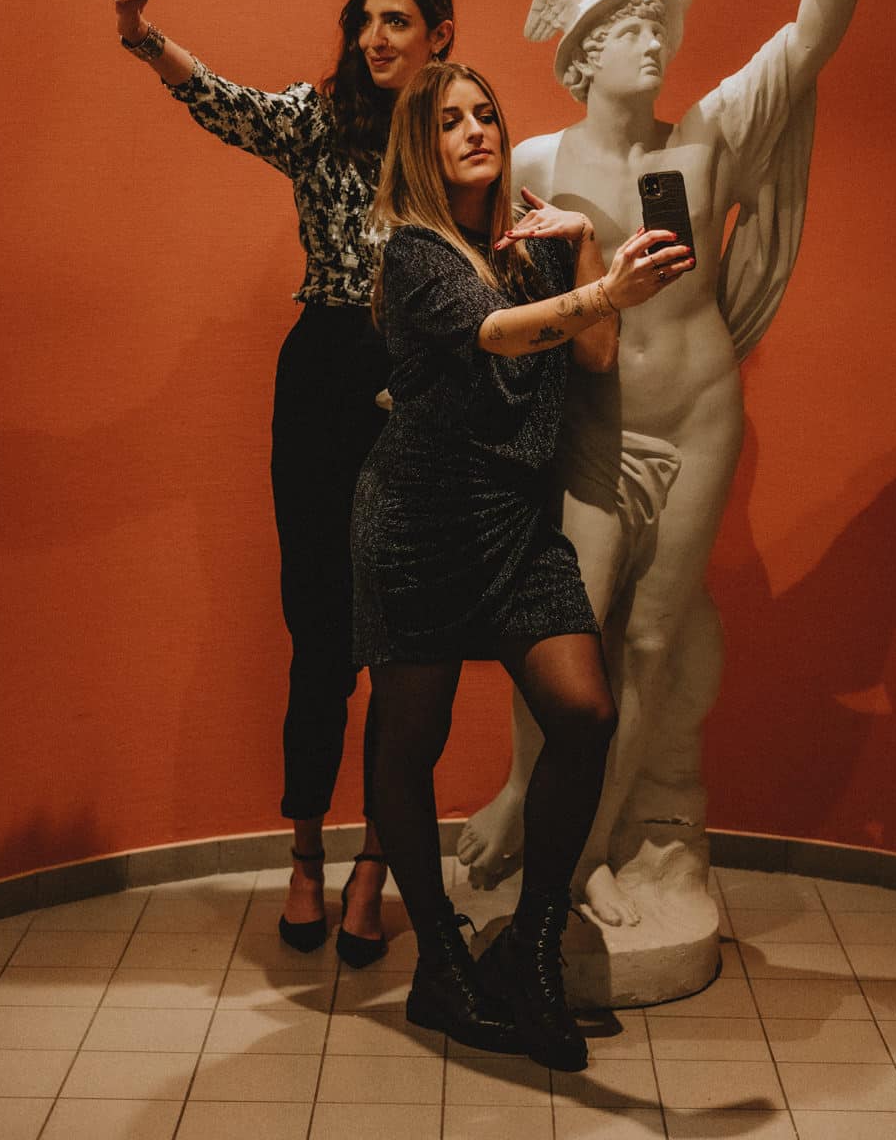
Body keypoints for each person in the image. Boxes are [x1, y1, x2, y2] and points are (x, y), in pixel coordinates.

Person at [458, 0, 876, 931]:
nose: (655, 41)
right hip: (591, 433)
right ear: (585, 54)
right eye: (632, 29)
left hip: (695, 423)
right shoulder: (533, 160)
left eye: (658, 26)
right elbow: (476, 286)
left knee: (650, 641)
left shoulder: (709, 137)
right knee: (563, 637)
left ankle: (589, 851)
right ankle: (523, 795)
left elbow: (809, 37)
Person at [109, 0, 454, 961]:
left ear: (438, 35)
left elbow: (501, 228)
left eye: (395, 21)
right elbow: (224, 104)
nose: (373, 38)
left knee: (404, 644)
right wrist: (141, 36)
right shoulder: (318, 118)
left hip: (421, 379)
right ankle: (306, 856)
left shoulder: (454, 129)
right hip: (323, 378)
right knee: (319, 630)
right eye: (364, 20)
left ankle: (376, 865)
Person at [350, 59, 691, 1068]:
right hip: (418, 519)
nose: (474, 131)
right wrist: (604, 285)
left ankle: (530, 945)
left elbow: (592, 356)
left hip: (512, 518)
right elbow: (497, 336)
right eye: (448, 121)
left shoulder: (533, 245)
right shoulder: (415, 250)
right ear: (420, 147)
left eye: (484, 115)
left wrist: (580, 247)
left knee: (583, 711)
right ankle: (440, 965)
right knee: (408, 740)